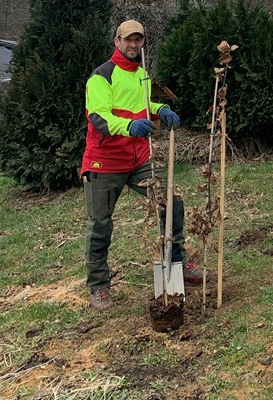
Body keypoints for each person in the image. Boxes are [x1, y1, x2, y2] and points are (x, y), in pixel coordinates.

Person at [82, 20, 203, 309]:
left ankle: (177, 262)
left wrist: (161, 110)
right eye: (128, 40)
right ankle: (98, 285)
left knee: (171, 200)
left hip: (139, 160)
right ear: (117, 41)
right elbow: (98, 117)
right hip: (105, 162)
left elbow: (146, 104)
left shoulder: (142, 74)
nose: (133, 45)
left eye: (138, 40)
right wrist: (130, 126)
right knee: (100, 224)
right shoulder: (101, 77)